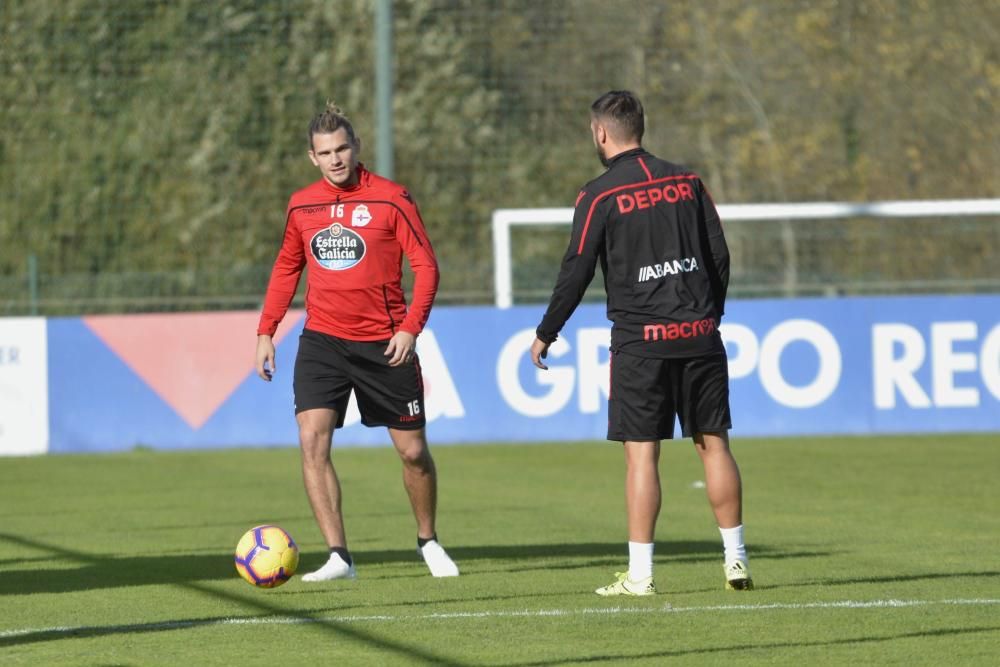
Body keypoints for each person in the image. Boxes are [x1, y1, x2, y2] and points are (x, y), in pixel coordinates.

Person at [530, 90, 751, 596]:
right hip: (700, 336)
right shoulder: (688, 181)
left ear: (600, 133)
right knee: (714, 446)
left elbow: (577, 269)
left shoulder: (599, 195)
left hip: (641, 343)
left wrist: (547, 331)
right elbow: (719, 254)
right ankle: (736, 562)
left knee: (642, 458)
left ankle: (641, 576)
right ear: (641, 127)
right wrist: (707, 314)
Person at [255, 103, 458, 580]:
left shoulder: (392, 199)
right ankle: (339, 557)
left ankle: (427, 539)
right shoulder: (301, 205)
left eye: (342, 148)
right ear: (313, 157)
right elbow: (287, 267)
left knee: (412, 453)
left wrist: (410, 327)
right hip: (322, 341)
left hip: (385, 345)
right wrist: (266, 330)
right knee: (312, 442)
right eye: (325, 152)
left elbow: (426, 267)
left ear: (356, 147)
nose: (335, 159)